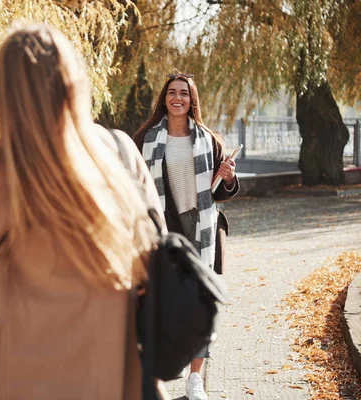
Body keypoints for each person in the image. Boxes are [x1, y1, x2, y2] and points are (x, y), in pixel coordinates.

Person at [0, 24, 169, 399]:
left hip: (20, 367)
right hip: (102, 367)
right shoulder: (115, 154)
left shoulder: (9, 164)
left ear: (5, 94)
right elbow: (154, 248)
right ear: (73, 88)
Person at [132, 73, 239, 400]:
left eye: (184, 93)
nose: (178, 98)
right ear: (165, 98)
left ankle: (196, 379)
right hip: (161, 230)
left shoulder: (209, 140)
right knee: (156, 302)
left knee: (201, 304)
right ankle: (153, 376)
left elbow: (221, 192)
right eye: (172, 93)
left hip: (200, 232)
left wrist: (228, 177)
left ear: (192, 100)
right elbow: (134, 185)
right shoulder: (145, 139)